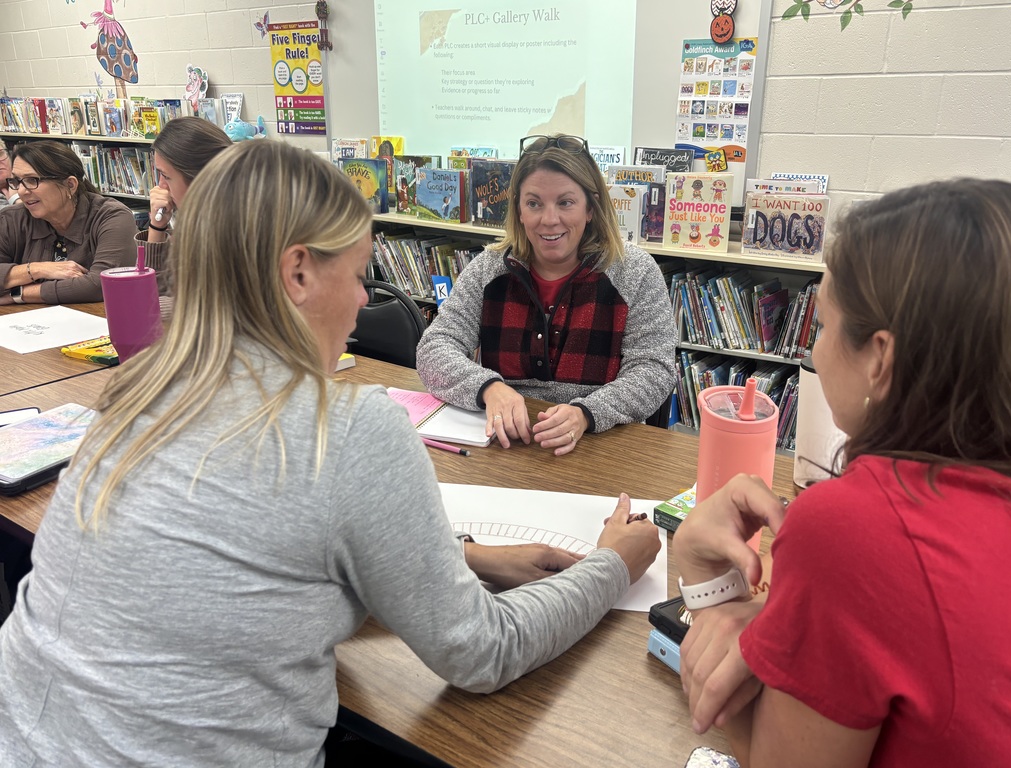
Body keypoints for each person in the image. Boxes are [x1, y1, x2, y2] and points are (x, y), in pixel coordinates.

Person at [0, 141, 661, 766]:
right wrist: (612, 564)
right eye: (356, 273)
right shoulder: (348, 429)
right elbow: (483, 651)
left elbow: (253, 563)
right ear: (297, 273)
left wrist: (468, 558)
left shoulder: (133, 392)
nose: (363, 300)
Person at [673, 178, 1011, 767]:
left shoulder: (853, 528)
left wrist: (706, 586)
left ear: (880, 358)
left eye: (823, 328)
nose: (812, 352)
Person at [416, 134, 676, 456]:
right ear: (519, 210)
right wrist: (489, 387)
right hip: (507, 441)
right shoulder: (488, 269)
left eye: (565, 202)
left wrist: (586, 413)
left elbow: (655, 369)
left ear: (590, 208)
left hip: (600, 444)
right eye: (534, 203)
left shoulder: (634, 272)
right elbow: (434, 348)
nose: (549, 220)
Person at [0, 140, 137, 304]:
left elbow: (101, 285)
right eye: (17, 181)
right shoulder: (11, 219)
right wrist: (38, 269)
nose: (21, 191)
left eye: (32, 180)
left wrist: (19, 294)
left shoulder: (112, 217)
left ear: (70, 185)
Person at [135, 115, 232, 296]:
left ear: (199, 179)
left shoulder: (227, 231)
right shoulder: (194, 222)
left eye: (166, 176)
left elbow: (148, 298)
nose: (161, 185)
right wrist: (157, 227)